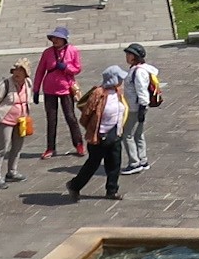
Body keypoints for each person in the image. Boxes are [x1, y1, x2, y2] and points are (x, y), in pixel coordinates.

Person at [67, 67, 128, 201]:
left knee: (114, 163)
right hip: (99, 136)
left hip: (115, 134)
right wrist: (92, 130)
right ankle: (74, 185)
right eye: (119, 78)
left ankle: (112, 190)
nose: (122, 81)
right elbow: (86, 115)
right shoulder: (98, 93)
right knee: (92, 164)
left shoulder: (118, 92)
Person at [36, 26, 84, 158]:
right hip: (49, 89)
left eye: (58, 38)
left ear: (64, 39)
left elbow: (78, 68)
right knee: (51, 119)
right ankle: (50, 148)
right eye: (54, 38)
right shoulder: (47, 53)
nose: (55, 40)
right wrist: (36, 90)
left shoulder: (72, 50)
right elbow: (40, 71)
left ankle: (78, 143)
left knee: (70, 117)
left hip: (66, 88)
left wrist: (67, 68)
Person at [0, 62, 32, 187]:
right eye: (15, 70)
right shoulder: (5, 84)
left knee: (17, 147)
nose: (17, 73)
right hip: (5, 120)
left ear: (26, 74)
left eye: (20, 70)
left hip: (21, 120)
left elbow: (28, 100)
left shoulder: (28, 83)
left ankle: (12, 172)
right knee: (2, 148)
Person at [119, 43, 160, 173]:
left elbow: (141, 90)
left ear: (135, 57)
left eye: (129, 54)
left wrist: (142, 107)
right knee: (138, 134)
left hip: (135, 108)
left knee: (127, 135)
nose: (127, 56)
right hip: (139, 107)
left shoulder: (138, 72)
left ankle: (134, 163)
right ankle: (143, 160)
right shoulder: (140, 69)